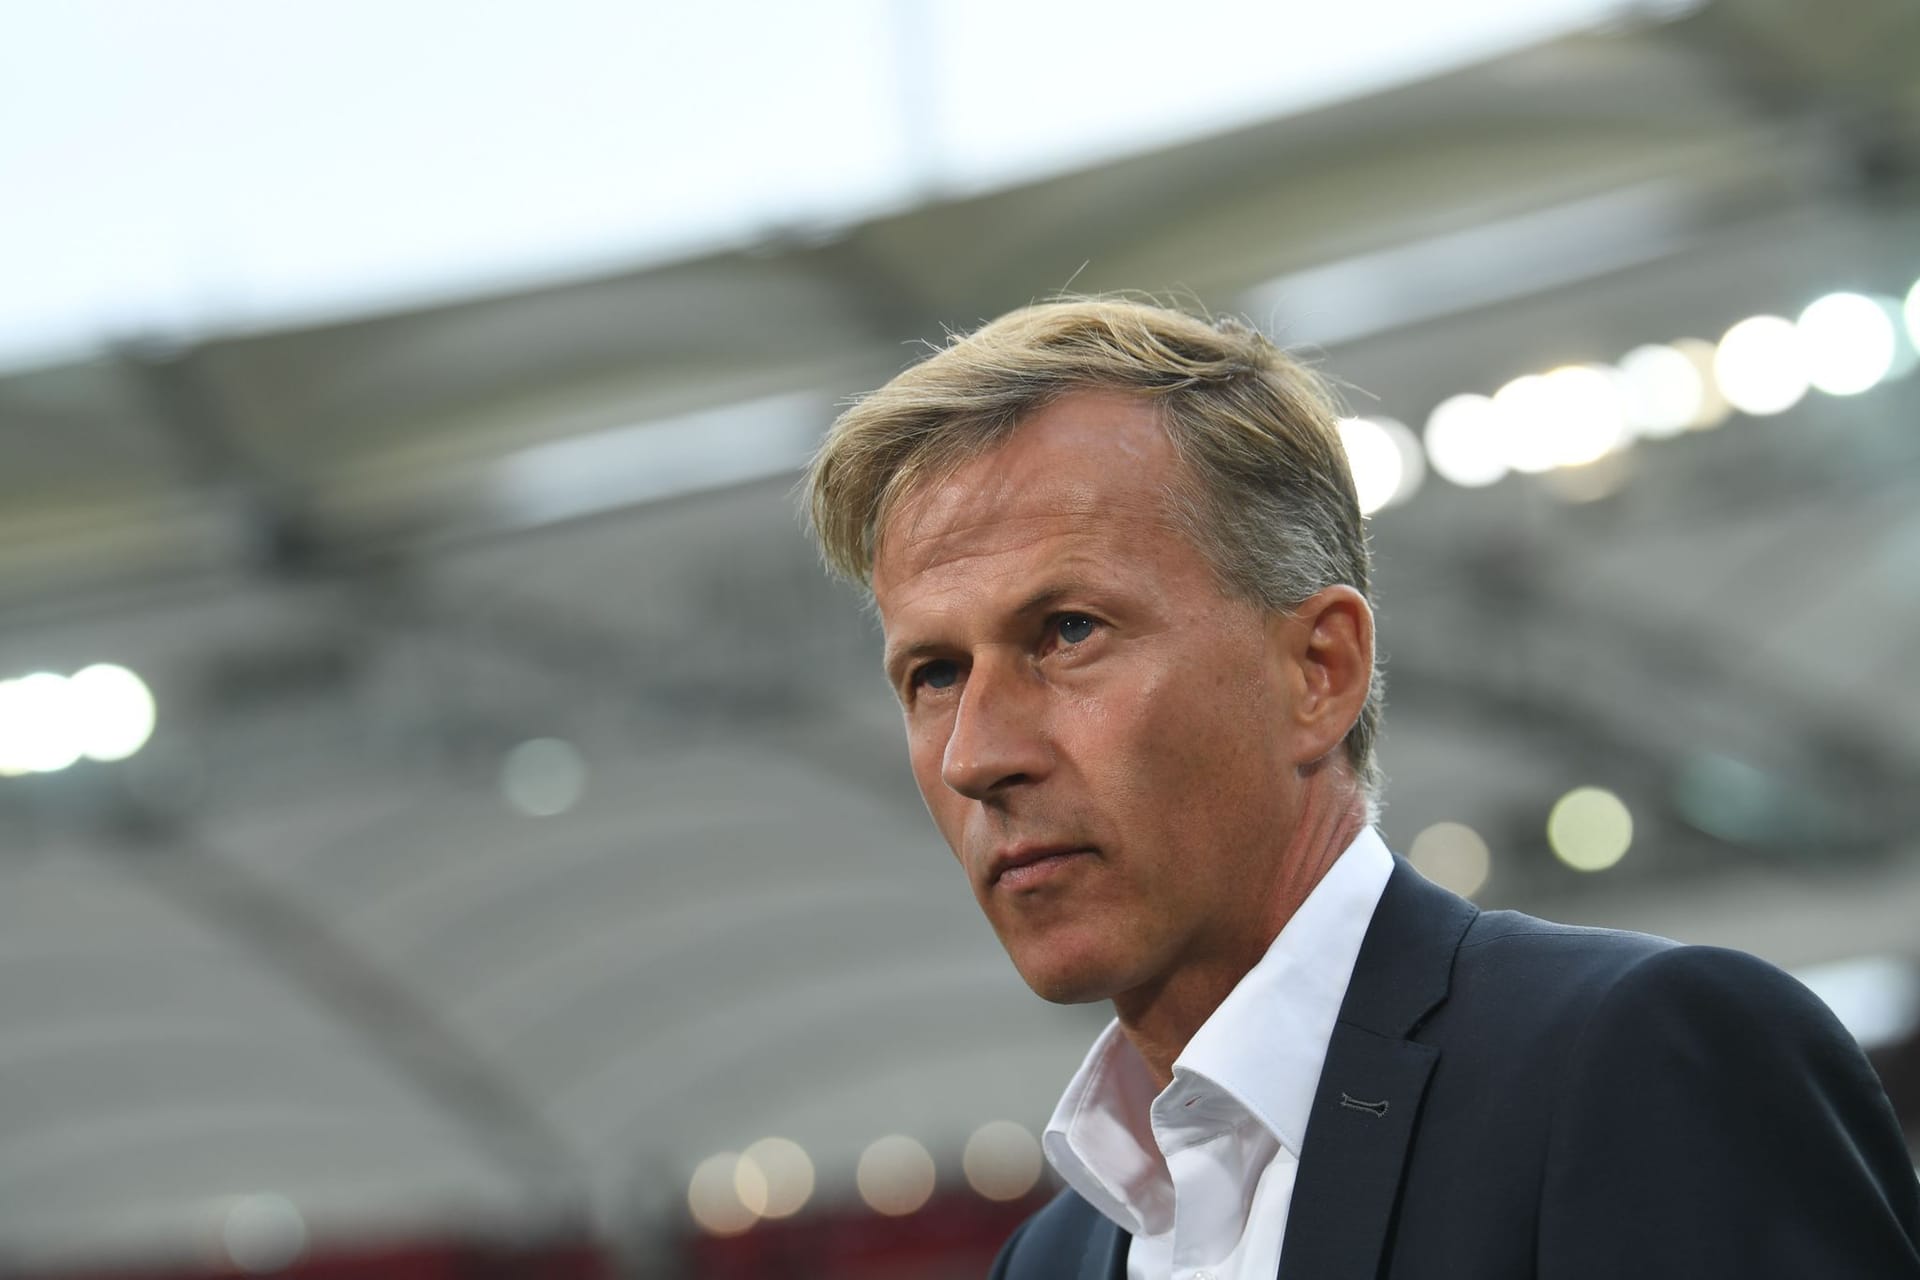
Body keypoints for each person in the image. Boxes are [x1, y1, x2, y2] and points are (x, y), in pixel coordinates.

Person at [803, 297, 1920, 1279]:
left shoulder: (1635, 1064)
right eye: (934, 674)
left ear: (1319, 671)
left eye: (1067, 631)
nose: (976, 755)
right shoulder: (1053, 1259)